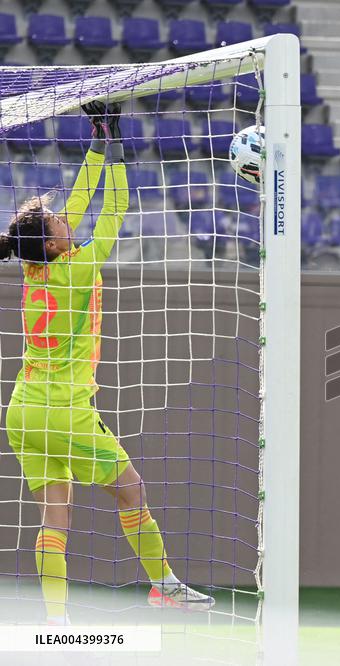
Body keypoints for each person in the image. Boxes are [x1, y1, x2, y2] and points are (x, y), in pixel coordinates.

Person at [0, 101, 214, 623]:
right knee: (131, 489)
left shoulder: (35, 266)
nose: (66, 217)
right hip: (65, 411)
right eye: (58, 221)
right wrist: (116, 144)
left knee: (55, 514)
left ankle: (56, 623)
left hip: (24, 411)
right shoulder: (79, 267)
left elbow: (78, 199)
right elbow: (114, 204)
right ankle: (164, 585)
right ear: (55, 241)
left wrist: (101, 134)